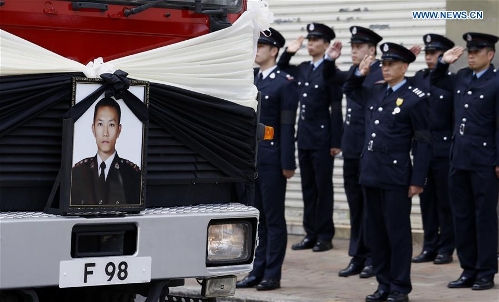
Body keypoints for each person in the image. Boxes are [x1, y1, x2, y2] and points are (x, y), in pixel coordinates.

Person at [343, 42, 431, 302]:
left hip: (396, 175)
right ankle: (383, 284)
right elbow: (349, 89)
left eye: (392, 64)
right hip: (370, 172)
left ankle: (399, 287)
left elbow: (424, 141)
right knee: (376, 233)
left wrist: (418, 180)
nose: (386, 68)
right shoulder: (375, 91)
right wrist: (360, 72)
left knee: (397, 233)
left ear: (405, 67)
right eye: (384, 64)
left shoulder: (415, 97)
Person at [431, 32, 499, 291]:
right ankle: (468, 269)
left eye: (476, 51)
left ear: (489, 54)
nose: (470, 55)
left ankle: (485, 272)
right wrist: (443, 62)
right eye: (468, 51)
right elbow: (435, 81)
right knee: (462, 216)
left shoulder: (496, 81)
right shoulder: (461, 77)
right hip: (458, 159)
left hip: (484, 160)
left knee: (484, 218)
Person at [236, 28, 299, 291]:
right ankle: (256, 269)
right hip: (252, 158)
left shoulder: (285, 82)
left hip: (272, 158)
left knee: (274, 219)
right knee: (256, 217)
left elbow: (287, 125)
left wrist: (288, 163)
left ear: (274, 51)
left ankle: (272, 273)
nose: (257, 50)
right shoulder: (251, 79)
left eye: (262, 46)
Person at [323, 26, 383, 279]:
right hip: (351, 149)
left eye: (359, 47)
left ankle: (373, 257)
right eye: (352, 46)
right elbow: (329, 77)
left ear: (372, 50)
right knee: (356, 206)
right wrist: (329, 59)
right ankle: (358, 256)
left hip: (369, 153)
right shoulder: (355, 72)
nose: (354, 50)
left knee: (371, 208)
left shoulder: (381, 74)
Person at [277, 23, 343, 252]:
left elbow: (336, 107)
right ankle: (310, 233)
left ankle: (325, 234)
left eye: (316, 41)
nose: (310, 44)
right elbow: (281, 69)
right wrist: (289, 50)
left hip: (323, 138)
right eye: (309, 40)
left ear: (326, 45)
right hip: (304, 136)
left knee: (323, 187)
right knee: (308, 187)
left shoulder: (329, 70)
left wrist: (336, 141)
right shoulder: (303, 68)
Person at [411, 34, 456, 266]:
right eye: (427, 53)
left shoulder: (453, 80)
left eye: (434, 53)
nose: (429, 57)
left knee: (445, 201)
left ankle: (446, 248)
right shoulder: (418, 78)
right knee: (426, 201)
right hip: (421, 148)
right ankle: (429, 245)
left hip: (444, 147)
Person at [71, 97, 141, 205]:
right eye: (100, 124)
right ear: (93, 129)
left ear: (119, 130)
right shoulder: (77, 172)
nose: (105, 133)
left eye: (111, 125)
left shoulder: (133, 175)